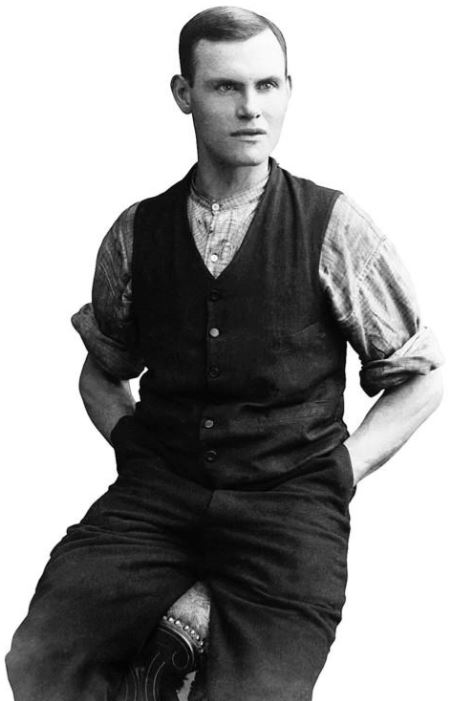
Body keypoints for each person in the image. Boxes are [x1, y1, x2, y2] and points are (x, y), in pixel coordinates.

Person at [5, 6, 444, 701]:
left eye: (268, 85)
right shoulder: (137, 231)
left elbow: (420, 378)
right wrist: (134, 446)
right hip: (155, 500)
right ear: (184, 94)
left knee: (257, 693)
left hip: (287, 512)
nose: (250, 108)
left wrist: (339, 471)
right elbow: (102, 369)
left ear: (289, 90)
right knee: (41, 655)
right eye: (225, 87)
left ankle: (189, 634)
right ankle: (171, 645)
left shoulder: (335, 227)